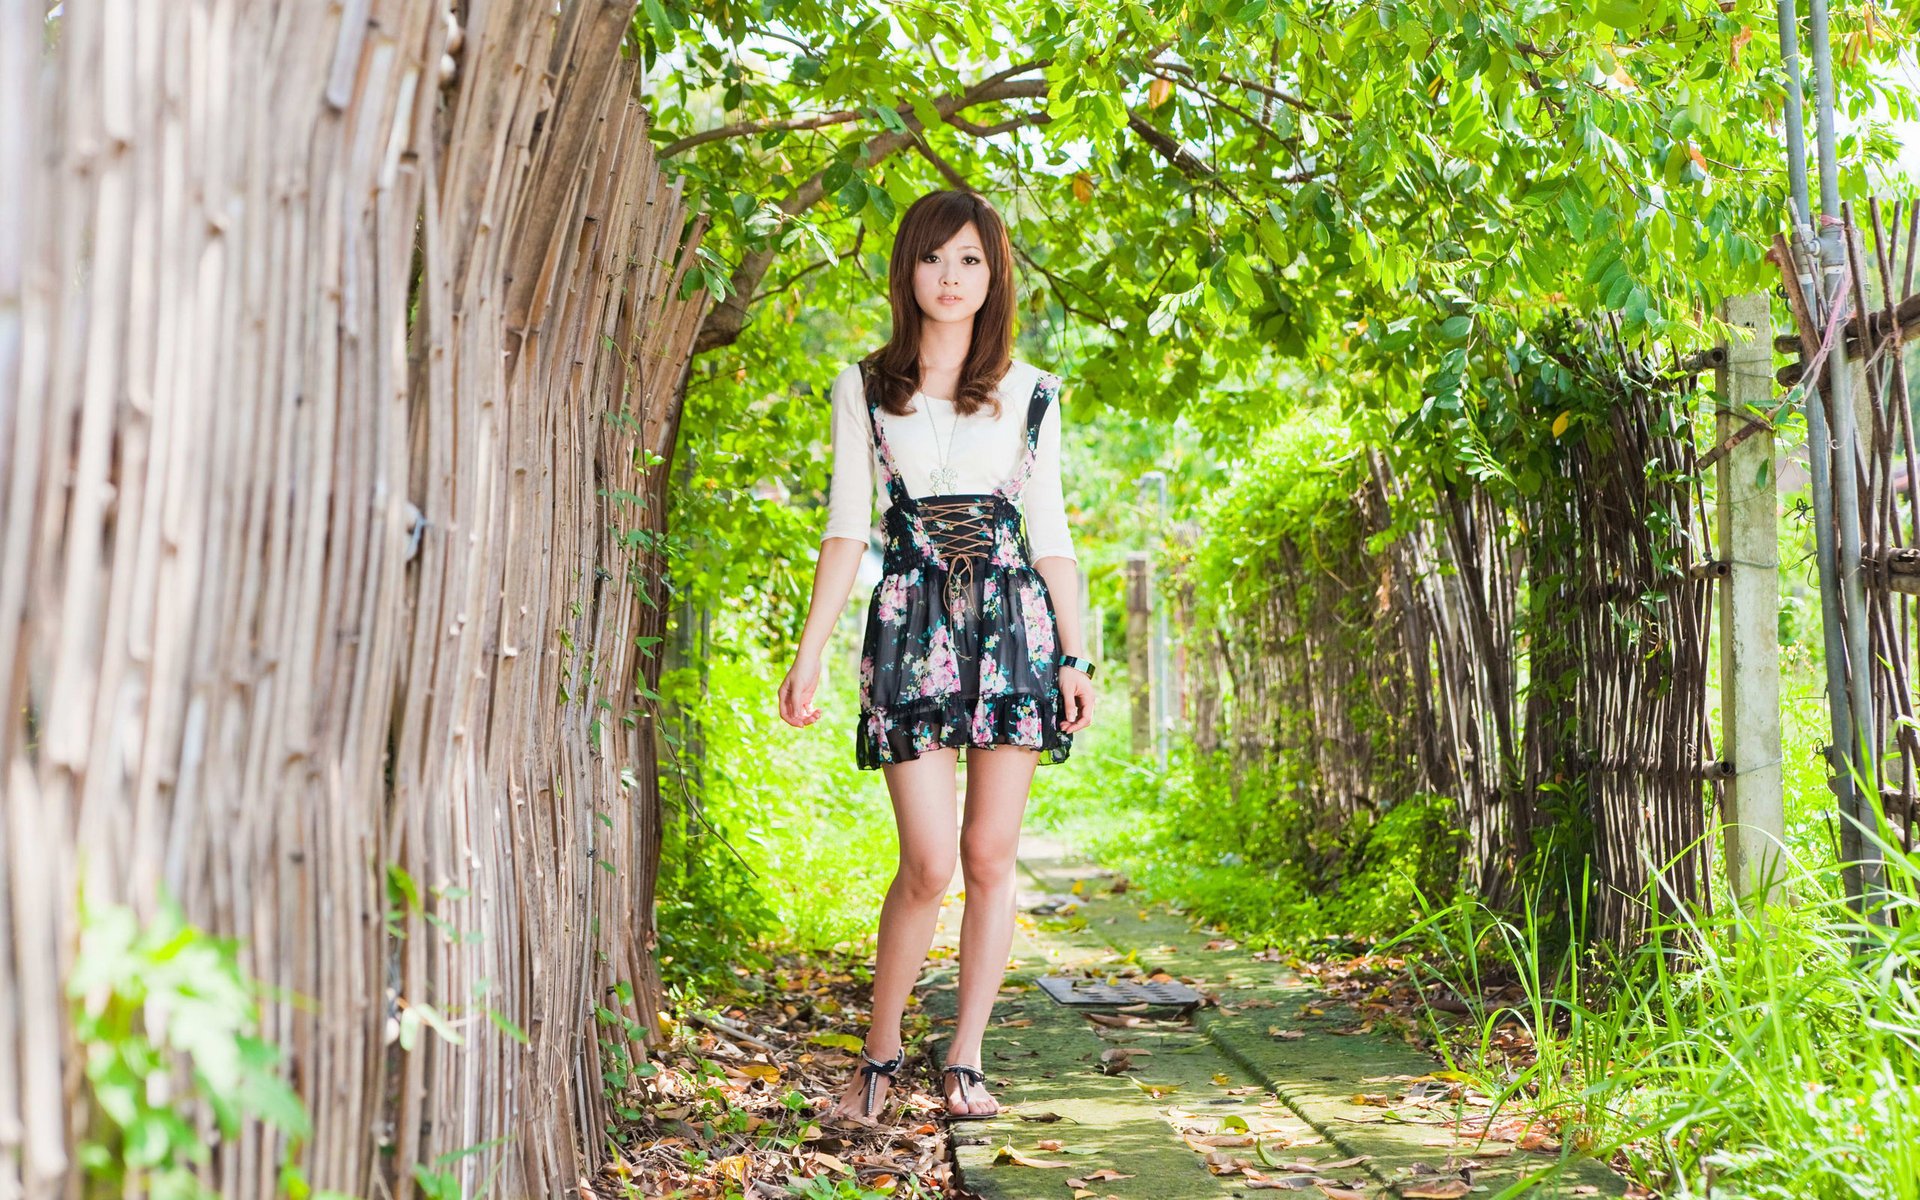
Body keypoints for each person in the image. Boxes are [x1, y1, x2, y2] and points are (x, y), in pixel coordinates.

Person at [777, 189, 1098, 1123]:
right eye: (933, 258)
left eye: (969, 260)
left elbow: (1053, 537)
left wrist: (1076, 659)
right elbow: (846, 530)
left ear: (992, 273)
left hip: (1013, 628)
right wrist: (810, 654)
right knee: (928, 862)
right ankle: (878, 1057)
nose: (950, 277)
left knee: (991, 855)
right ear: (906, 270)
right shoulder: (866, 387)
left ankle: (964, 1056)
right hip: (910, 625)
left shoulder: (1032, 391)